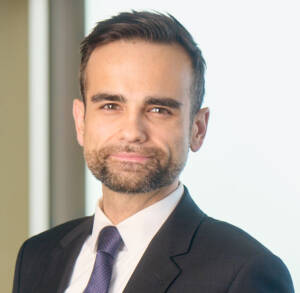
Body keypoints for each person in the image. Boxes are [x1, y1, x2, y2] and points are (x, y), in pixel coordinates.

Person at [13, 11, 294, 293]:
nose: (132, 131)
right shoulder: (37, 256)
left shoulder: (246, 271)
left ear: (197, 129)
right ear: (81, 121)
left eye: (159, 110)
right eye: (110, 105)